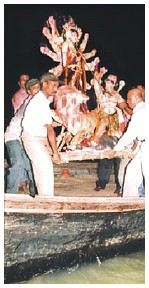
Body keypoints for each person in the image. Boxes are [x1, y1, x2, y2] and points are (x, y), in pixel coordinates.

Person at [21, 72, 61, 197]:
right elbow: (49, 129)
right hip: (32, 139)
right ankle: (47, 201)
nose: (55, 89)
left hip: (36, 138)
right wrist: (55, 152)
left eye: (57, 86)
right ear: (44, 84)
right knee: (45, 170)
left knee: (42, 170)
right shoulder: (40, 102)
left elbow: (43, 127)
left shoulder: (42, 100)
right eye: (53, 85)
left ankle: (45, 198)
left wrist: (48, 147)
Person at [5, 78, 40, 197]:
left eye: (38, 88)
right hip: (14, 136)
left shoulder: (39, 101)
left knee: (31, 164)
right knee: (18, 163)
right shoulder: (28, 102)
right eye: (34, 88)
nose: (37, 91)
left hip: (26, 137)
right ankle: (10, 196)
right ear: (29, 91)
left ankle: (34, 192)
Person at [111, 87, 145, 197]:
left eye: (129, 99)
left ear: (135, 98)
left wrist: (115, 149)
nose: (127, 101)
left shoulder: (140, 112)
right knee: (131, 172)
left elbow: (130, 135)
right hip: (143, 146)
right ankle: (131, 199)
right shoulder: (141, 110)